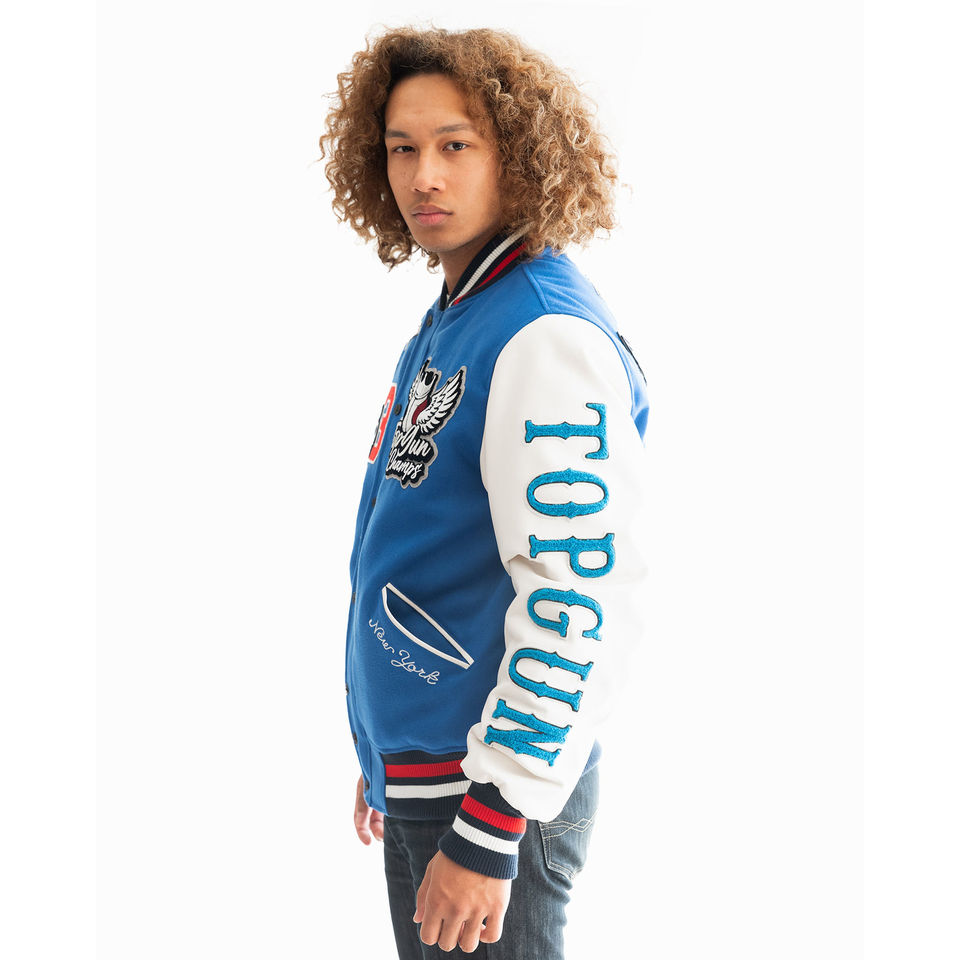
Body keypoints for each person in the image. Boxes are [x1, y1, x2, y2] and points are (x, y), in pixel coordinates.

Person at [319, 25, 649, 959]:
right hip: (436, 780)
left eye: (455, 145)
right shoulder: (461, 316)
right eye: (402, 149)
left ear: (521, 154)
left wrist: (492, 816)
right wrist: (388, 756)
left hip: (488, 802)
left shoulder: (541, 337)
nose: (424, 176)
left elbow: (578, 598)